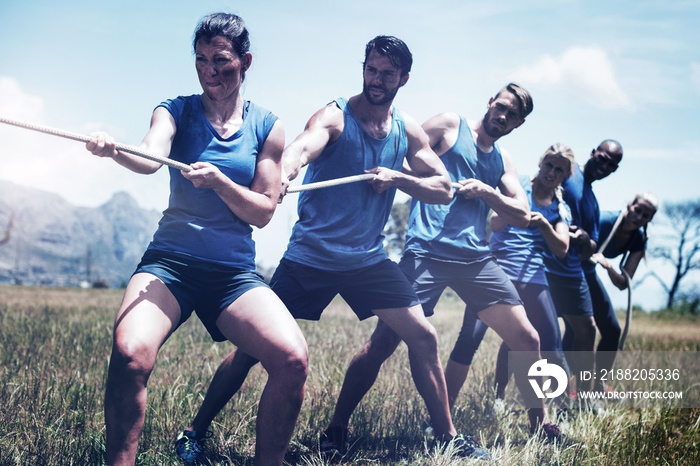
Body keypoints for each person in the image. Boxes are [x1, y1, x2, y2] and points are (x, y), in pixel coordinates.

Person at [178, 35, 492, 460]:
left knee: (423, 336)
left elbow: (442, 188)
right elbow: (301, 148)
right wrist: (283, 174)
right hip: (312, 257)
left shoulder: (406, 129)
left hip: (368, 260)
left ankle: (446, 438)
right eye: (371, 69)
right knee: (252, 350)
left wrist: (399, 179)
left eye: (387, 73)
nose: (376, 79)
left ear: (404, 77)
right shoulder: (336, 116)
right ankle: (195, 430)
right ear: (363, 68)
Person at [85, 13, 308, 466]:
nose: (210, 71)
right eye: (201, 60)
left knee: (292, 360)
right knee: (130, 355)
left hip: (233, 274)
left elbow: (264, 211)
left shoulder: (268, 126)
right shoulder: (175, 110)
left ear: (245, 61)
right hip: (170, 265)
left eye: (221, 60)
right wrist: (118, 151)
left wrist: (222, 183)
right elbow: (151, 156)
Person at [323, 83, 568, 443]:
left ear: (518, 124)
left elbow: (522, 213)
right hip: (426, 253)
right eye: (500, 107)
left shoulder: (503, 160)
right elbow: (402, 151)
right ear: (490, 101)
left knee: (528, 338)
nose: (502, 116)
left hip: (475, 260)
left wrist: (487, 191)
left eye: (512, 115)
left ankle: (539, 427)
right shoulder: (451, 125)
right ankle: (337, 427)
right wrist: (417, 181)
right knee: (383, 342)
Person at [451, 143, 574, 403]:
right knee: (469, 338)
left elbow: (562, 249)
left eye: (559, 170)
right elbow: (494, 223)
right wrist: (519, 211)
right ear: (540, 163)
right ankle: (491, 400)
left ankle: (563, 405)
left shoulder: (561, 208)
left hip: (534, 277)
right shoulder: (518, 189)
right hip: (497, 270)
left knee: (550, 343)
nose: (552, 172)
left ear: (565, 176)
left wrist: (543, 224)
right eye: (549, 165)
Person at [544, 140, 623, 395]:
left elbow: (591, 248)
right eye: (602, 158)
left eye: (612, 165)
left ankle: (582, 396)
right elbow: (544, 196)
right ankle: (500, 397)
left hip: (574, 271)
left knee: (585, 330)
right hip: (546, 264)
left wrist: (584, 239)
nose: (605, 166)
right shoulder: (568, 171)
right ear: (592, 153)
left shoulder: (594, 202)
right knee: (535, 331)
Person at [585, 192, 659, 392]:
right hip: (573, 270)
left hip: (590, 274)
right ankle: (568, 388)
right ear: (629, 206)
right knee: (580, 329)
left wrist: (608, 266)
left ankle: (599, 388)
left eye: (646, 216)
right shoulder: (605, 221)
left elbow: (623, 283)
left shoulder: (639, 238)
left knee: (612, 331)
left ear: (649, 220)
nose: (639, 217)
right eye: (638, 210)